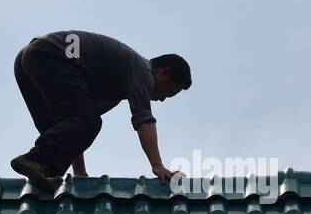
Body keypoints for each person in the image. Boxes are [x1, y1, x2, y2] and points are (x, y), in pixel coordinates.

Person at [11, 31, 190, 192]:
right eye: (169, 91)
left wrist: (80, 172)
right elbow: (143, 119)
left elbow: (72, 126)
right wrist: (158, 165)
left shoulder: (115, 88)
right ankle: (35, 161)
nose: (163, 99)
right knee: (89, 122)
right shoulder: (142, 71)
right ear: (164, 73)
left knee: (66, 127)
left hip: (30, 58)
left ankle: (40, 170)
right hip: (51, 55)